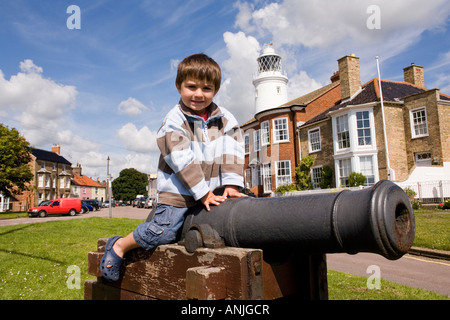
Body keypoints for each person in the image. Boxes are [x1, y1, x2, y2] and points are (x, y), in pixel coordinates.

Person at [100, 53, 246, 282]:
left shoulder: (226, 118)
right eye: (191, 87)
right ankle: (119, 245)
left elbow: (234, 149)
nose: (198, 94)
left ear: (215, 90)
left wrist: (231, 183)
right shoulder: (174, 120)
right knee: (163, 231)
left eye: (206, 88)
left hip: (211, 191)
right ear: (179, 86)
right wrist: (203, 192)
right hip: (178, 192)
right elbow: (181, 160)